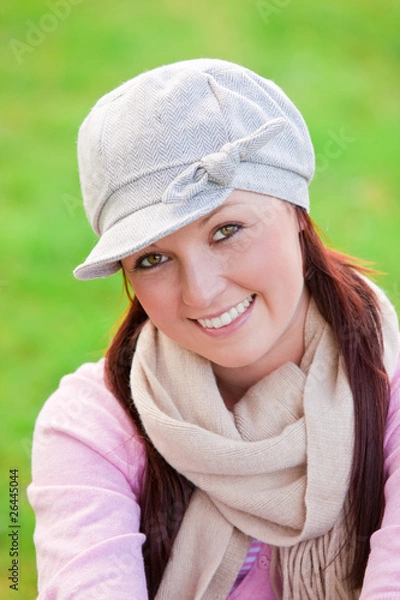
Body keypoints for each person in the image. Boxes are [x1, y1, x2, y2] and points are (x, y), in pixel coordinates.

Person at [28, 59, 400, 599]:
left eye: (227, 230)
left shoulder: (386, 389)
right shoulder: (92, 426)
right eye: (153, 259)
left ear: (297, 210)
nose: (200, 292)